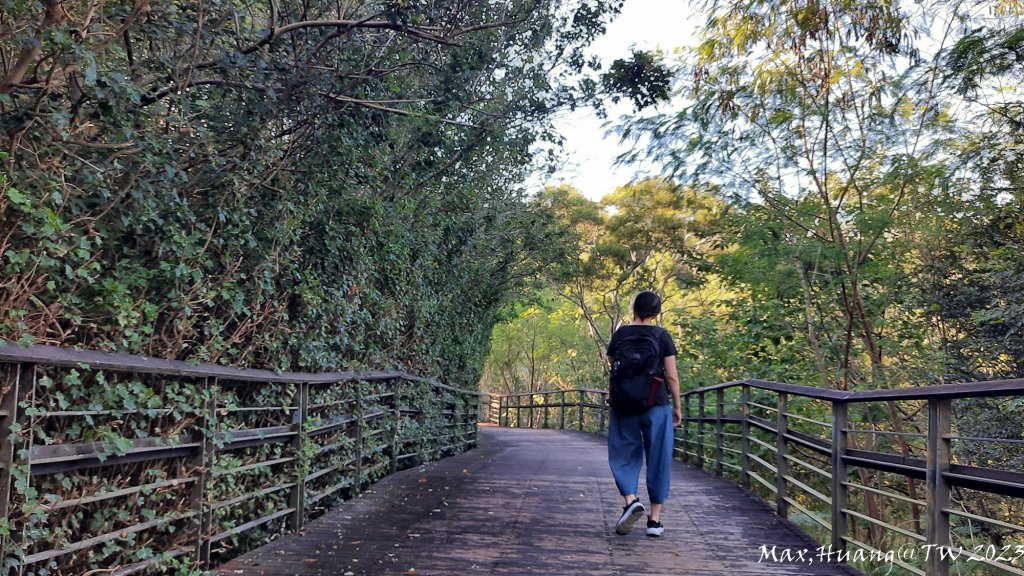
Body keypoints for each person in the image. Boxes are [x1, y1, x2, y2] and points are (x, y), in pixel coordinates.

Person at [606, 290, 682, 537]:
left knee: (623, 452)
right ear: (656, 312)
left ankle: (631, 500)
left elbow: (613, 366)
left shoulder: (621, 334)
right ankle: (655, 521)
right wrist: (678, 406)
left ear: (634, 309)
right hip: (656, 403)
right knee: (658, 457)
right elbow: (671, 375)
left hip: (624, 403)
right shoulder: (662, 336)